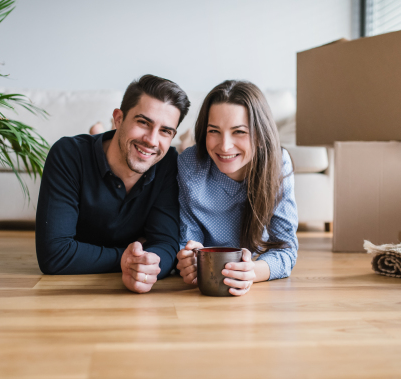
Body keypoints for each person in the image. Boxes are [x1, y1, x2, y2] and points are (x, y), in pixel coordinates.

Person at [36, 74, 190, 294]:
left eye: (165, 131)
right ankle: (97, 131)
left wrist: (149, 263)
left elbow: (165, 246)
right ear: (118, 119)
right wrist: (127, 259)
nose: (152, 140)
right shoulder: (67, 155)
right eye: (143, 122)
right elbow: (55, 255)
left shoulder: (168, 164)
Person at [176, 80, 298, 296]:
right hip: (208, 280)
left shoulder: (278, 163)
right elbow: (188, 237)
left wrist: (252, 272)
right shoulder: (189, 165)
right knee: (187, 151)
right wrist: (188, 259)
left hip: (248, 276)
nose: (225, 145)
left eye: (239, 132)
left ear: (260, 135)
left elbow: (286, 250)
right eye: (214, 131)